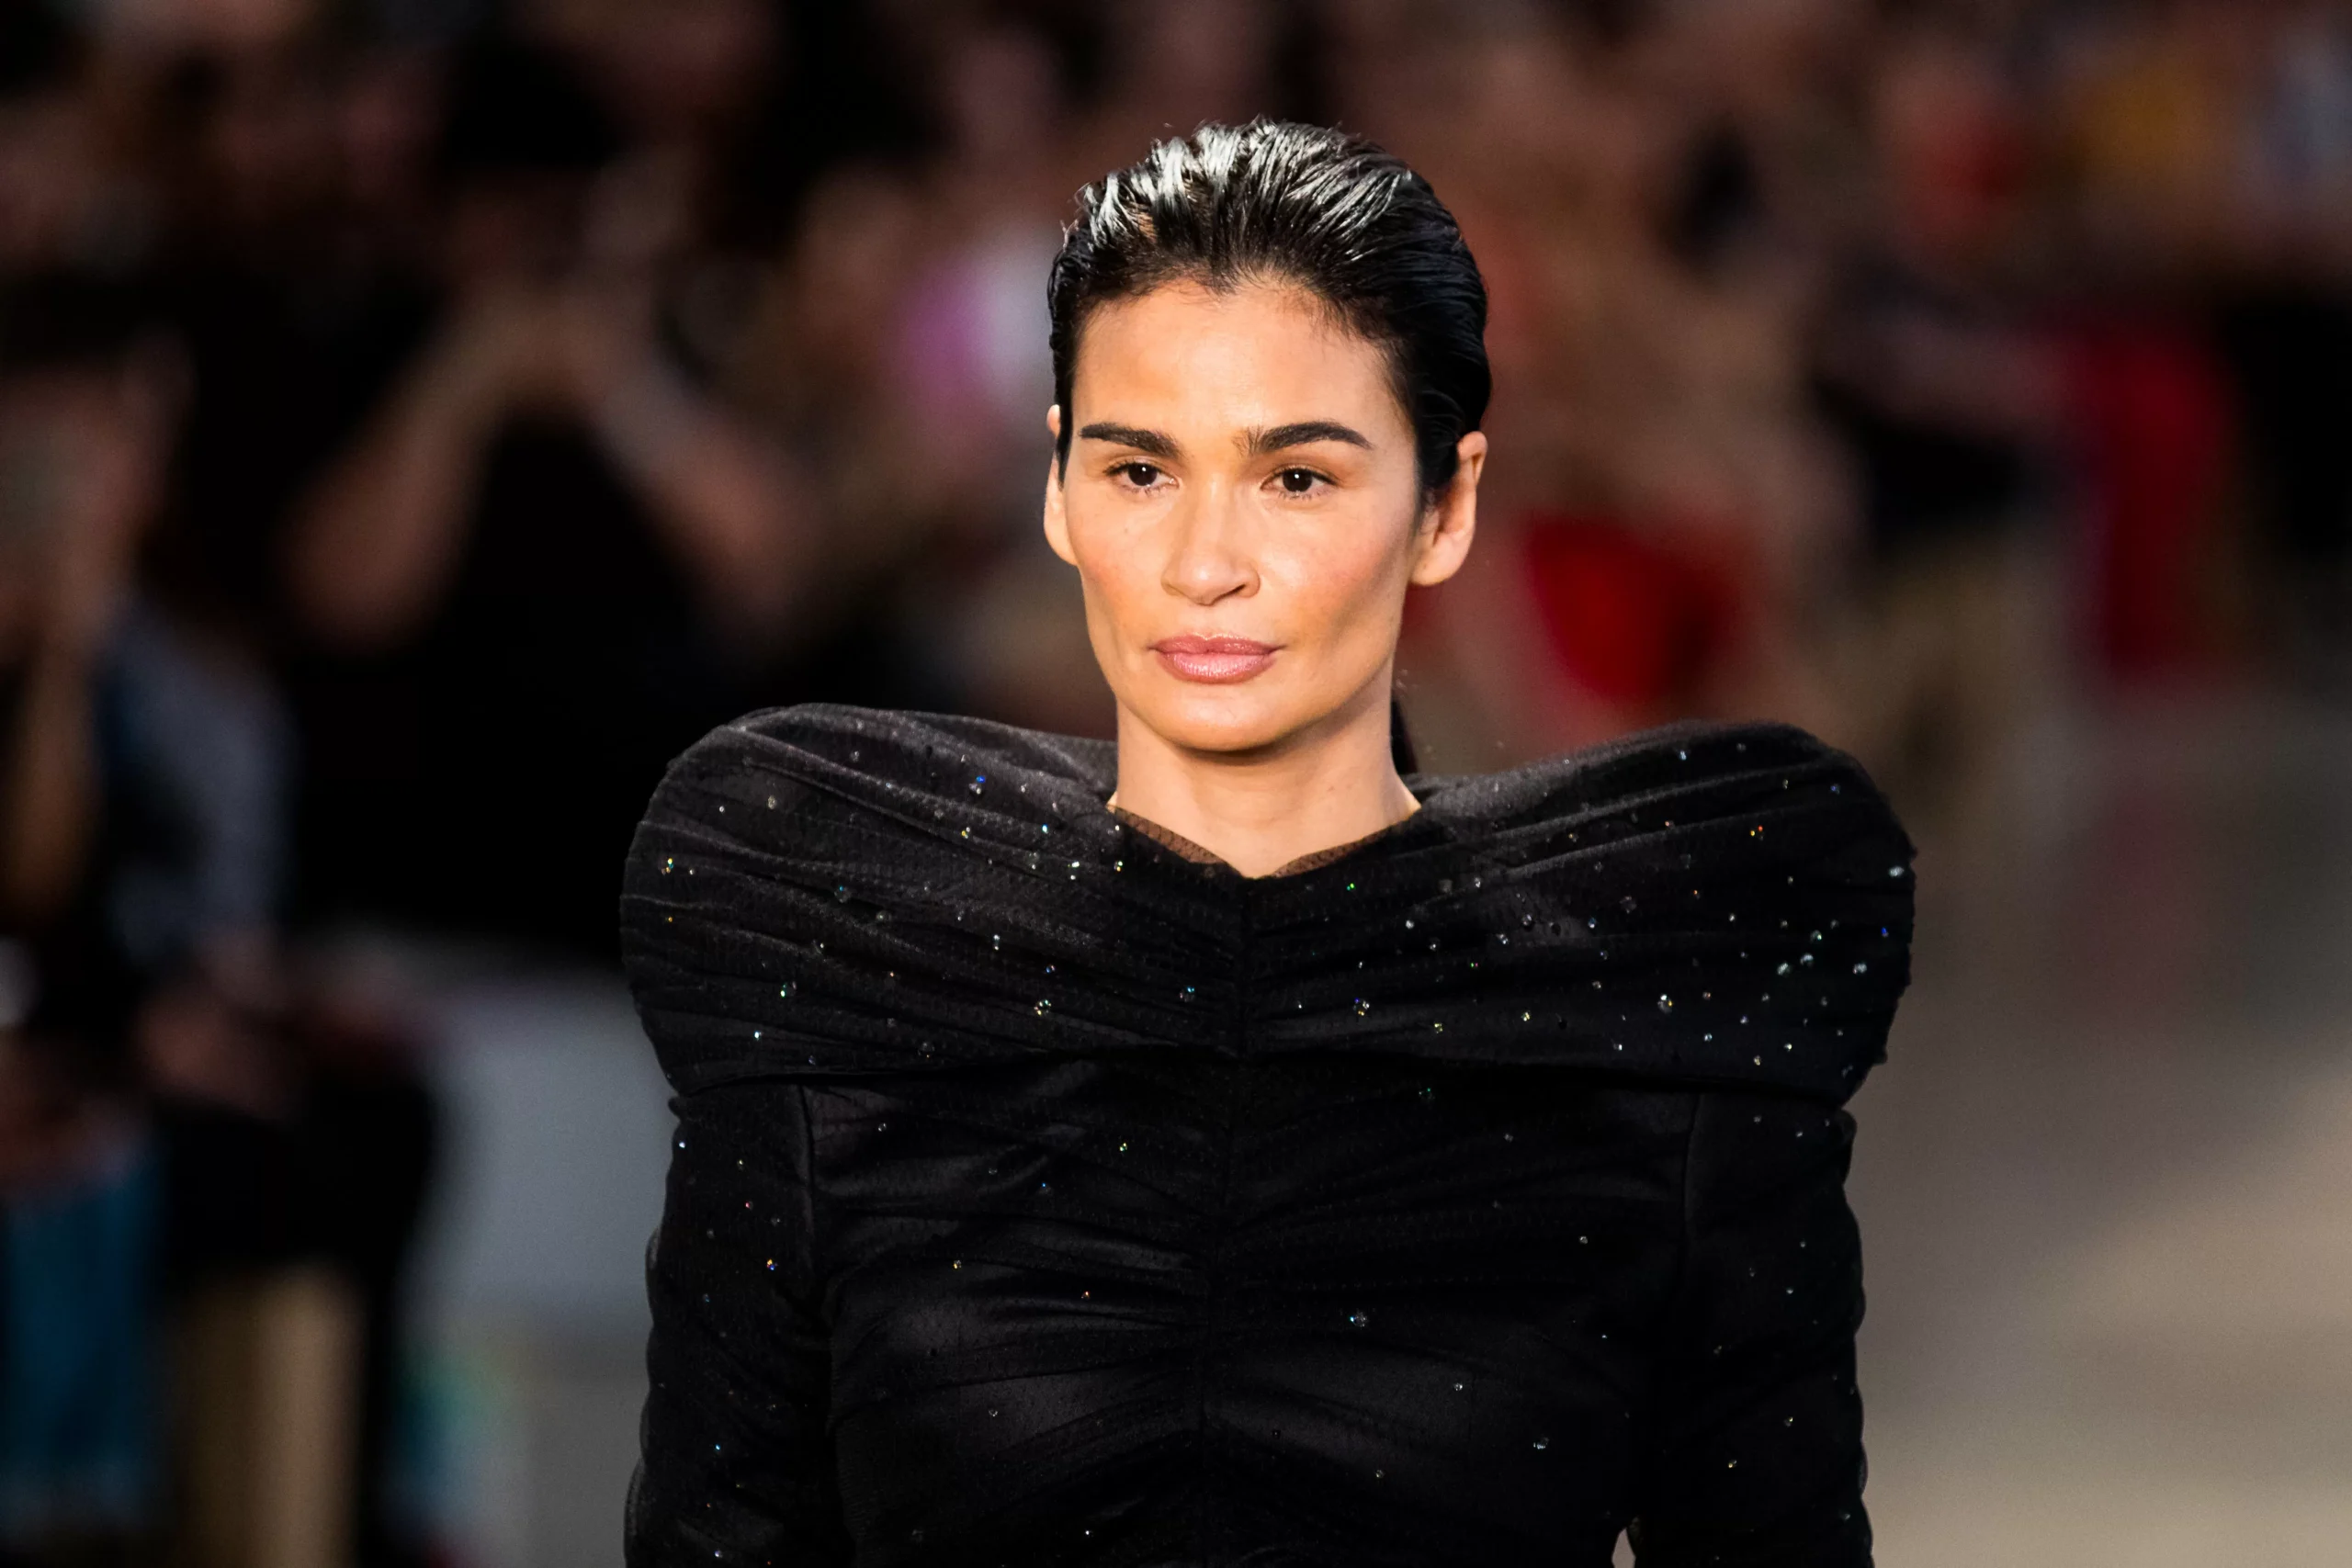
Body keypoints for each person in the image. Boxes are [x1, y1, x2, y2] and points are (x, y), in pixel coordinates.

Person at [619, 122, 1914, 1565]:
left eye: (1297, 476)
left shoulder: (1649, 1067)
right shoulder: (846, 1026)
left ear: (1445, 508)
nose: (1206, 563)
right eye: (1139, 471)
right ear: (1056, 491)